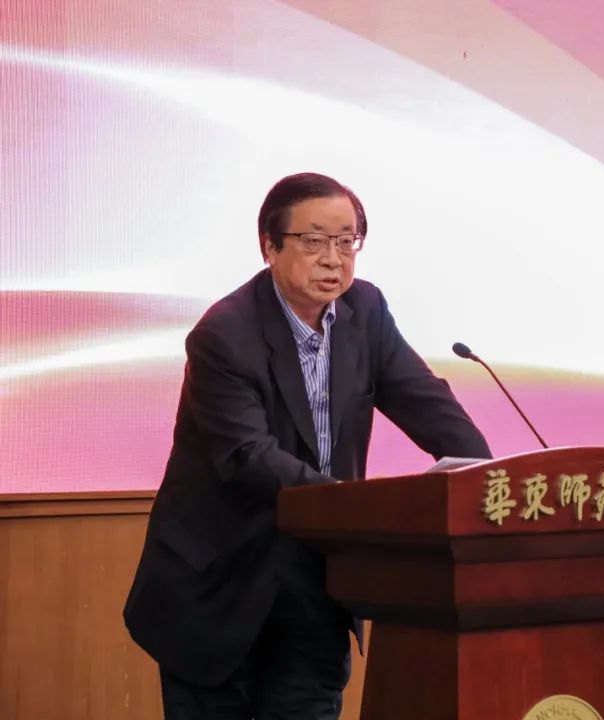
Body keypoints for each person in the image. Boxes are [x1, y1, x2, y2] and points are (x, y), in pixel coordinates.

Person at [123, 172, 491, 719]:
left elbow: (423, 400)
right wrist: (349, 506)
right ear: (269, 246)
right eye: (314, 240)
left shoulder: (366, 311)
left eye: (346, 241)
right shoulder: (224, 333)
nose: (333, 259)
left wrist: (488, 478)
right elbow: (248, 456)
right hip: (221, 584)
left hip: (316, 583)